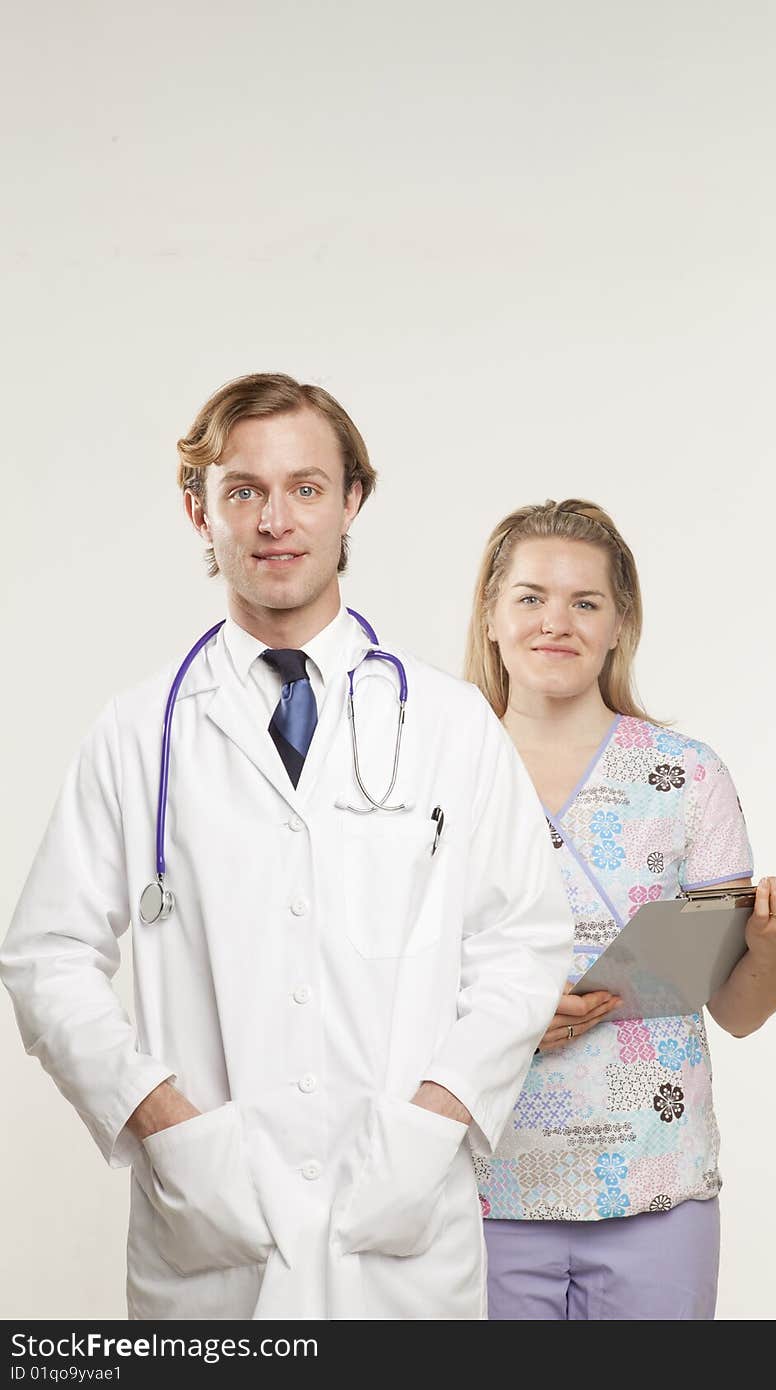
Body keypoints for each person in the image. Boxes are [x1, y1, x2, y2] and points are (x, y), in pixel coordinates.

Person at [0, 375, 573, 1322]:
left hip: (405, 1226)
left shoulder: (449, 722)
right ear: (200, 510)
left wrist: (433, 1123)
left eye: (307, 488)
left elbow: (524, 943)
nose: (276, 520)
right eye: (243, 491)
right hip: (214, 1224)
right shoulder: (141, 731)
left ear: (353, 502)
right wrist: (163, 1121)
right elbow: (44, 955)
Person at [464, 499, 776, 1321]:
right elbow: (375, 977)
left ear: (620, 622)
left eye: (585, 602)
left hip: (656, 1189)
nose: (556, 622)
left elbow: (737, 1010)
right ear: (490, 613)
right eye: (530, 597)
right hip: (480, 1188)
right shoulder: (435, 776)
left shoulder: (686, 776)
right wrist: (508, 1013)